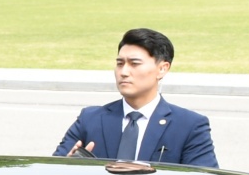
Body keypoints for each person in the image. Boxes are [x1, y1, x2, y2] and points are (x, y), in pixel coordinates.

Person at [53, 28, 217, 166]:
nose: (124, 72)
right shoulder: (90, 119)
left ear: (162, 69)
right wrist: (68, 166)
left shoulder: (189, 126)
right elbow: (52, 172)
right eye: (120, 63)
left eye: (134, 64)